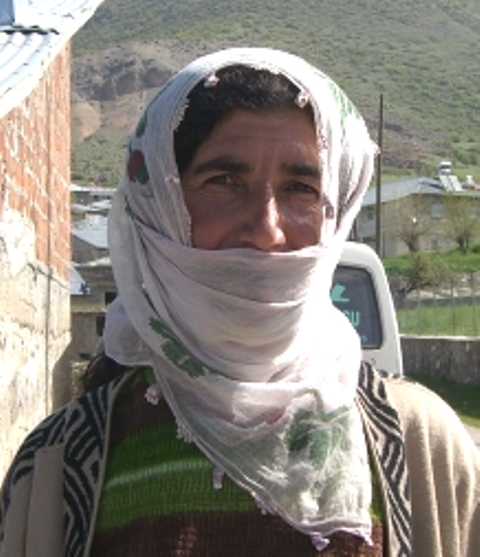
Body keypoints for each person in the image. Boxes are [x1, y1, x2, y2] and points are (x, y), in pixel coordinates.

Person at [0, 47, 479, 557]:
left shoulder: (423, 447)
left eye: (301, 188)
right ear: (157, 207)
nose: (266, 230)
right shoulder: (56, 466)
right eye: (223, 181)